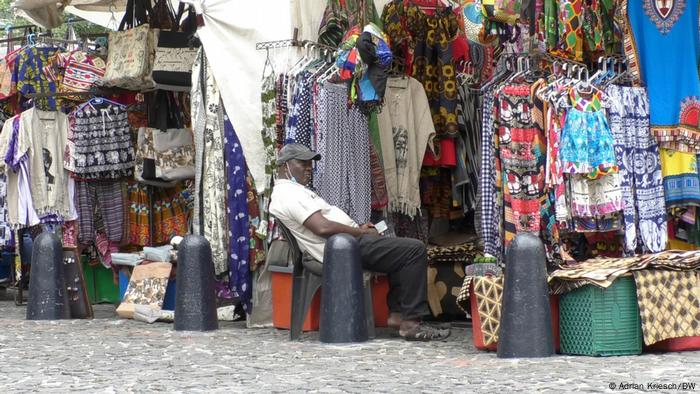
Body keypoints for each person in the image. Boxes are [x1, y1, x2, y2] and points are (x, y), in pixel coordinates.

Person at [269, 143, 450, 341]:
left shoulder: (293, 191)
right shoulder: (289, 194)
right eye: (302, 163)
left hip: (345, 244)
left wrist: (359, 229)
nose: (308, 168)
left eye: (310, 163)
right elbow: (322, 228)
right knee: (413, 250)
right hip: (343, 250)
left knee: (400, 250)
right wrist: (359, 232)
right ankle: (410, 323)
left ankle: (399, 315)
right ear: (285, 166)